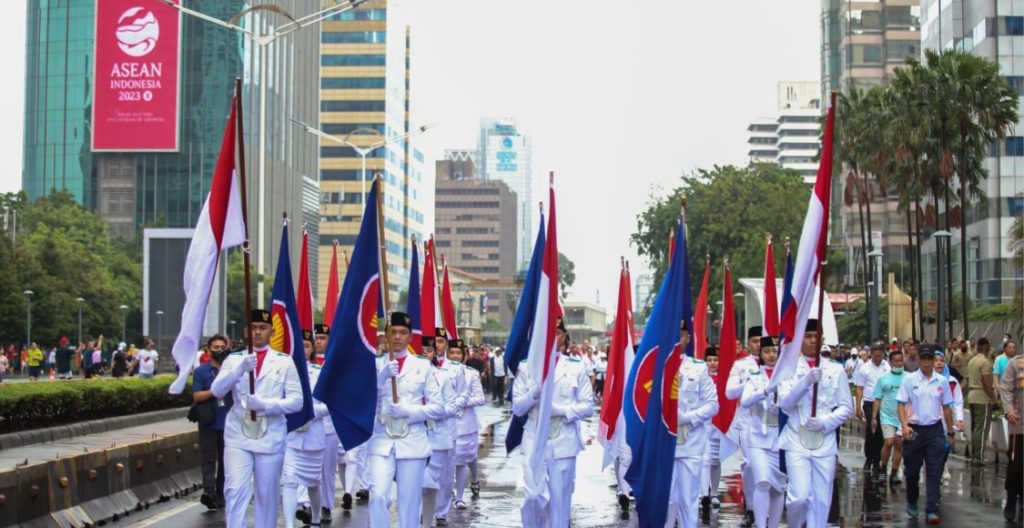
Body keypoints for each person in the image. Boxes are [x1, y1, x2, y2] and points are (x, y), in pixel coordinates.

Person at [211, 309, 303, 528]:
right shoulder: (234, 360)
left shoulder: (284, 362)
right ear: (246, 332)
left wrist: (266, 405)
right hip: (238, 433)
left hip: (270, 435)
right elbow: (217, 390)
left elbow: (297, 402)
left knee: (267, 495)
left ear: (272, 332)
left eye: (262, 328)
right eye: (253, 328)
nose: (257, 332)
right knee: (235, 490)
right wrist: (239, 370)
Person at [512, 317, 594, 527]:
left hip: (563, 439)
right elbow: (517, 408)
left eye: (556, 333)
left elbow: (588, 406)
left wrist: (562, 411)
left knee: (560, 504)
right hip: (534, 437)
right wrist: (534, 393)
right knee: (533, 496)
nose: (550, 337)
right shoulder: (526, 367)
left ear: (564, 336)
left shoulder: (576, 367)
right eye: (546, 332)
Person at [367, 312, 443, 528]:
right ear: (386, 336)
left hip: (412, 441)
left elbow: (438, 407)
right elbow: (363, 404)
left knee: (409, 504)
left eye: (402, 332)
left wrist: (408, 411)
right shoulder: (375, 365)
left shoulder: (423, 366)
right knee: (377, 494)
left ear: (410, 337)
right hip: (382, 439)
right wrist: (379, 380)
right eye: (393, 332)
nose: (397, 337)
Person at [778, 318, 853, 528]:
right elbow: (785, 404)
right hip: (796, 438)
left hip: (824, 440)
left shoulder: (835, 370)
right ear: (799, 339)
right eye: (808, 336)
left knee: (821, 499)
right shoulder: (788, 368)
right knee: (799, 497)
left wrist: (825, 422)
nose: (813, 341)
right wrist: (805, 382)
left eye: (816, 336)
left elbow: (846, 407)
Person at [666, 319, 719, 528]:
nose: (677, 339)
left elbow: (713, 405)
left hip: (691, 442)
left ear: (688, 338)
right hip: (664, 443)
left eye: (681, 335)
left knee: (688, 500)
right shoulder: (657, 365)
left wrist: (687, 418)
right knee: (667, 500)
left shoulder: (698, 368)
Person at [897, 344, 955, 523]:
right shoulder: (909, 380)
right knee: (912, 472)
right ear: (919, 360)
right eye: (924, 359)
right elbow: (901, 405)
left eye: (930, 359)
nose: (927, 362)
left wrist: (950, 431)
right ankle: (912, 500)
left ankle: (931, 508)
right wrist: (904, 426)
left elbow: (947, 407)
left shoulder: (942, 381)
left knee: (934, 471)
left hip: (934, 430)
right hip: (914, 430)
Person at [282, 330, 328, 528]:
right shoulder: (285, 370)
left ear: (312, 349)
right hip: (292, 435)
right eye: (299, 346)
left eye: (307, 346)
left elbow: (329, 405)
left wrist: (309, 412)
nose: (303, 350)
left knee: (313, 483)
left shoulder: (320, 372)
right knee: (290, 480)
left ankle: (316, 517)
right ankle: (289, 524)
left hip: (314, 436)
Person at [740, 336, 785, 528]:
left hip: (781, 437)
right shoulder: (755, 376)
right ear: (761, 354)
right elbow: (745, 401)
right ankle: (760, 524)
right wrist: (764, 392)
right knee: (762, 482)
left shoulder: (788, 375)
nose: (771, 355)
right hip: (759, 437)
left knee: (778, 487)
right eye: (767, 351)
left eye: (774, 351)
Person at [420, 332, 462, 527]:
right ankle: (417, 516)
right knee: (415, 481)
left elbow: (453, 405)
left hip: (438, 433)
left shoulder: (442, 376)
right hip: (413, 435)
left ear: (435, 353)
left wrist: (435, 411)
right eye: (422, 350)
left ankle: (435, 514)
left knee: (433, 481)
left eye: (429, 350)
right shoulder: (405, 376)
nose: (425, 354)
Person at [725, 325, 763, 527]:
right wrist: (746, 383)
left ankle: (765, 506)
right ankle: (750, 506)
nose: (758, 345)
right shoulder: (741, 365)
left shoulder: (775, 363)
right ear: (748, 343)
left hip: (769, 422)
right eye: (755, 341)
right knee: (750, 464)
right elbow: (729, 392)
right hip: (748, 421)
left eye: (761, 341)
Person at [192, 335, 232, 510]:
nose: (219, 350)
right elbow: (197, 396)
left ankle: (221, 494)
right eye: (216, 347)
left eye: (222, 347)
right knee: (208, 458)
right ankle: (209, 492)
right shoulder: (201, 371)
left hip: (228, 422)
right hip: (208, 421)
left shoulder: (232, 371)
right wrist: (214, 391)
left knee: (225, 460)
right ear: (208, 351)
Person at [453, 338, 486, 507]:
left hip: (467, 424)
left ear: (465, 356)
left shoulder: (471, 374)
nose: (455, 356)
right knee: (454, 461)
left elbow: (480, 398)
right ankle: (458, 496)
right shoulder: (439, 372)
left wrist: (461, 402)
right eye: (452, 352)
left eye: (458, 353)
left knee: (470, 458)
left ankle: (474, 478)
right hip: (448, 423)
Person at [854, 343, 891, 474]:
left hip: (884, 403)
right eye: (875, 356)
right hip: (870, 402)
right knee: (871, 429)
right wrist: (858, 406)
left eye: (879, 356)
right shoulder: (864, 368)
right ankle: (869, 458)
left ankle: (877, 460)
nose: (877, 359)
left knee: (880, 431)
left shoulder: (887, 366)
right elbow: (859, 388)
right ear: (871, 354)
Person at [872, 349, 907, 486]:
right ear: (891, 362)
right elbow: (877, 399)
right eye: (896, 361)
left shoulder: (909, 378)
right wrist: (874, 417)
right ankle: (883, 468)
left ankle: (894, 473)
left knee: (898, 444)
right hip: (886, 416)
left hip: (902, 417)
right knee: (889, 442)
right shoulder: (883, 379)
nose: (899, 363)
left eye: (901, 360)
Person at [998, 338, 1023, 521]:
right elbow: (1005, 389)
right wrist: (1008, 410)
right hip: (1019, 424)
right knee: (1016, 465)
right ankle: (1012, 497)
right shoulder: (1016, 364)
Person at [933, 351, 965, 481]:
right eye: (936, 361)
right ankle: (936, 471)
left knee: (946, 446)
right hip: (931, 420)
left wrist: (959, 419)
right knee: (934, 447)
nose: (939, 363)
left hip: (948, 420)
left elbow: (958, 402)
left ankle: (941, 466)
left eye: (941, 360)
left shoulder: (952, 382)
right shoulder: (926, 380)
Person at [966, 337, 997, 464]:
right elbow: (986, 382)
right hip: (982, 397)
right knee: (982, 428)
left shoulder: (972, 360)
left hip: (972, 396)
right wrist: (994, 399)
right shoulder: (985, 362)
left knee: (975, 428)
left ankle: (974, 455)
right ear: (986, 347)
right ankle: (978, 457)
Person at [700, 346, 723, 519]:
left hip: (718, 424)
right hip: (702, 423)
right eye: (709, 360)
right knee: (703, 459)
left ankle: (714, 492)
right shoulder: (701, 378)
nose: (713, 363)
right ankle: (703, 493)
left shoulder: (725, 378)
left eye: (716, 360)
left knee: (715, 459)